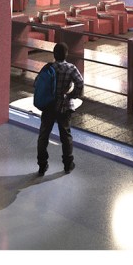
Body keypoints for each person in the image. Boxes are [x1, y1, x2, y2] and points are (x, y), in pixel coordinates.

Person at [36, 42, 84, 175]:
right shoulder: (71, 68)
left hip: (48, 106)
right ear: (66, 54)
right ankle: (68, 164)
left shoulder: (48, 68)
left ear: (54, 54)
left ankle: (42, 165)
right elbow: (80, 83)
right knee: (65, 135)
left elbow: (37, 82)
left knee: (43, 136)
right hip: (63, 106)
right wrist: (72, 95)